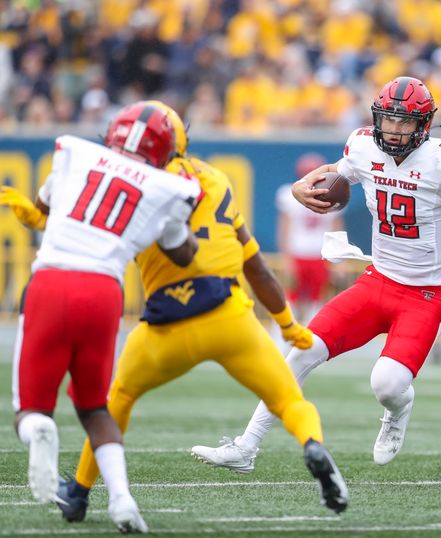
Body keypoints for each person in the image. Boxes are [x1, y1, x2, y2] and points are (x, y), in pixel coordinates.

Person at [3, 101, 349, 523]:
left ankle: (78, 493)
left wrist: (35, 213)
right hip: (228, 314)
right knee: (289, 400)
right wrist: (288, 325)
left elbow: (72, 213)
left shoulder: (127, 177)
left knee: (113, 404)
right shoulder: (216, 180)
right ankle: (312, 444)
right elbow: (253, 264)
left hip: (162, 323)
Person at [191, 76, 441, 469]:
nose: (394, 130)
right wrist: (300, 188)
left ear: (424, 125)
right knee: (301, 349)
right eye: (388, 120)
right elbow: (336, 171)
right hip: (377, 280)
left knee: (386, 385)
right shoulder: (364, 147)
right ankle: (246, 447)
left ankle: (398, 410)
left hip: (426, 294)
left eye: (405, 122)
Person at [3, 101, 202, 534]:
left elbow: (44, 204)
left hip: (52, 282)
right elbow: (185, 254)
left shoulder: (77, 157)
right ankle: (122, 500)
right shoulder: (165, 186)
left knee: (30, 409)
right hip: (103, 293)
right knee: (94, 406)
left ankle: (40, 431)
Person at [276, 152, 344, 324]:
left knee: (317, 300)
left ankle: (312, 339)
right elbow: (284, 229)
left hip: (320, 254)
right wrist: (286, 258)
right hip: (298, 252)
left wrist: (339, 261)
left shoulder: (334, 195)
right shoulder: (289, 196)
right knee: (291, 299)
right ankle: (284, 339)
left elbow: (337, 229)